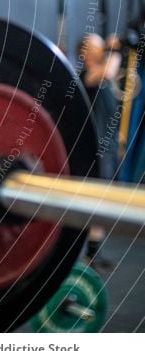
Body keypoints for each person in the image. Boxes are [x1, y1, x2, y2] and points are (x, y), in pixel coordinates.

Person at [78, 32, 122, 270]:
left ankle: (94, 253)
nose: (101, 49)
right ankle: (84, 254)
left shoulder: (102, 78)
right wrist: (114, 50)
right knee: (94, 202)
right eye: (97, 46)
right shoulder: (88, 75)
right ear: (85, 53)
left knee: (102, 203)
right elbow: (109, 69)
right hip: (95, 152)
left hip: (108, 148)